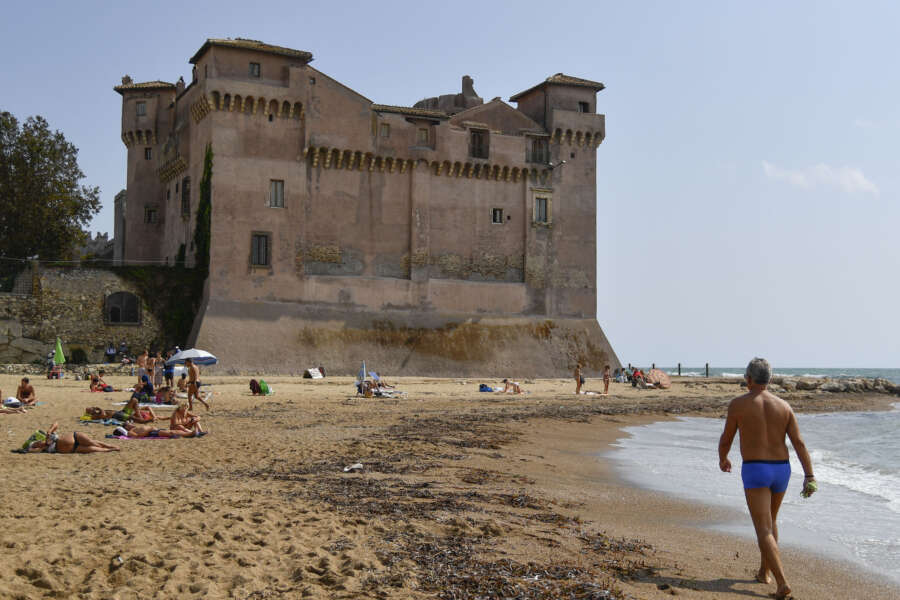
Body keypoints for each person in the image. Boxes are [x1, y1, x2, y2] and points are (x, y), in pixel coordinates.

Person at [718, 358, 816, 600]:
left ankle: (782, 583)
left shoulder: (738, 404)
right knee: (771, 522)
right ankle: (764, 572)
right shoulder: (784, 406)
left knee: (763, 528)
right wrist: (809, 475)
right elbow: (799, 443)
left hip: (756, 469)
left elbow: (727, 437)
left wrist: (723, 458)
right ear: (770, 379)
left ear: (748, 379)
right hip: (782, 469)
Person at [25, 423, 120, 453]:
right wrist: (34, 447)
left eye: (36, 443)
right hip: (73, 449)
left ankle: (111, 446)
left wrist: (49, 431)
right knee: (93, 449)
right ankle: (110, 449)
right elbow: (31, 450)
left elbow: (56, 423)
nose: (38, 445)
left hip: (75, 437)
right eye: (35, 445)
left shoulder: (49, 437)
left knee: (92, 442)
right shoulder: (43, 449)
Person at [115, 422, 203, 438]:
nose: (131, 423)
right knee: (171, 432)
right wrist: (149, 430)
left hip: (154, 431)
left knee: (173, 431)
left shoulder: (135, 427)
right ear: (126, 427)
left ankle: (191, 433)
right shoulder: (130, 432)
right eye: (129, 423)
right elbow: (138, 436)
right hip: (151, 433)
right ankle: (190, 434)